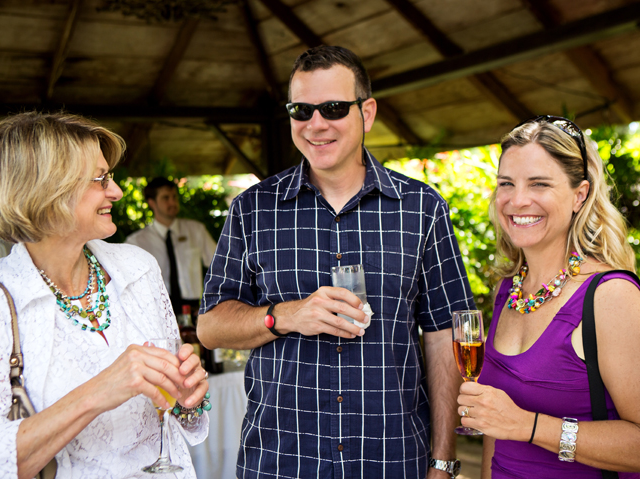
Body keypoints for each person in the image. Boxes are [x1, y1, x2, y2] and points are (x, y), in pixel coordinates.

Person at [197, 45, 474, 479]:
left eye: (332, 108)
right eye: (301, 110)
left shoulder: (422, 208)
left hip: (392, 460)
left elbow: (444, 335)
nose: (316, 124)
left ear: (367, 112)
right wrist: (287, 316)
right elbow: (210, 328)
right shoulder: (252, 210)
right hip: (281, 462)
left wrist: (442, 461)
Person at [0, 111, 210, 478]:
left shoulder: (139, 269)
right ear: (46, 191)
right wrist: (99, 391)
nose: (115, 191)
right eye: (100, 179)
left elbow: (177, 413)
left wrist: (188, 399)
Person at [457, 116, 640, 478]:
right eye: (506, 183)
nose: (517, 200)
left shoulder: (611, 296)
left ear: (580, 195)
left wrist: (527, 425)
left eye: (539, 184)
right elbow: (496, 428)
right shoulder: (509, 290)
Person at [125, 177, 217, 316]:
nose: (172, 202)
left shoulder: (196, 230)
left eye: (174, 197)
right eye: (165, 198)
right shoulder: (136, 242)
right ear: (152, 203)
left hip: (193, 311)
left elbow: (220, 267)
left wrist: (213, 302)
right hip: (155, 312)